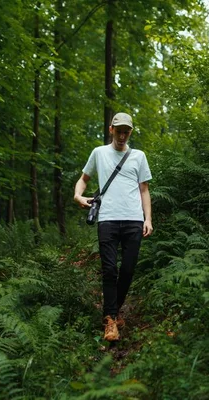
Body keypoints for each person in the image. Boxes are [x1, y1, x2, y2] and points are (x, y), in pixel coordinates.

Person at [73, 112, 153, 341]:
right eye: (118, 131)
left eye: (126, 132)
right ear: (111, 130)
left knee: (127, 270)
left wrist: (148, 219)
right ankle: (110, 320)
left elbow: (144, 190)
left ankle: (113, 310)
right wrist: (78, 196)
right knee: (109, 270)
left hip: (134, 220)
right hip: (107, 218)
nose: (122, 135)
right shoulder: (99, 153)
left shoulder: (138, 156)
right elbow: (83, 179)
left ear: (130, 132)